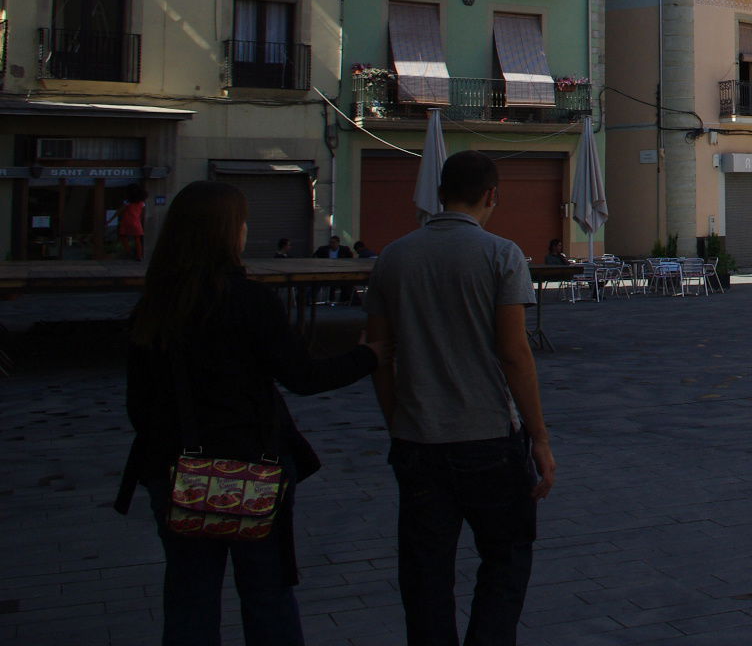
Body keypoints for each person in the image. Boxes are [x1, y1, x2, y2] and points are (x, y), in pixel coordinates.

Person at [116, 180, 383, 646]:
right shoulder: (249, 301)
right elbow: (302, 377)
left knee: (189, 598)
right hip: (251, 468)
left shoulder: (154, 306)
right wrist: (368, 356)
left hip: (177, 471)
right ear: (226, 233)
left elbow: (138, 404)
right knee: (267, 595)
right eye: (241, 223)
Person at [366, 151, 554, 646]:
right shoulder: (502, 254)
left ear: (439, 193)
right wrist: (539, 438)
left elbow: (377, 356)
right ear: (492, 195)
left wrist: (396, 421)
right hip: (490, 438)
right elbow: (514, 353)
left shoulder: (393, 256)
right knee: (507, 557)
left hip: (418, 439)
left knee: (425, 574)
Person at [119, 183, 148, 261]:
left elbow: (120, 211)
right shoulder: (141, 203)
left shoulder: (127, 202)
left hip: (127, 221)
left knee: (123, 236)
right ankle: (139, 256)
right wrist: (140, 220)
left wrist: (110, 220)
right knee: (137, 239)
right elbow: (143, 213)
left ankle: (129, 252)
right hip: (136, 222)